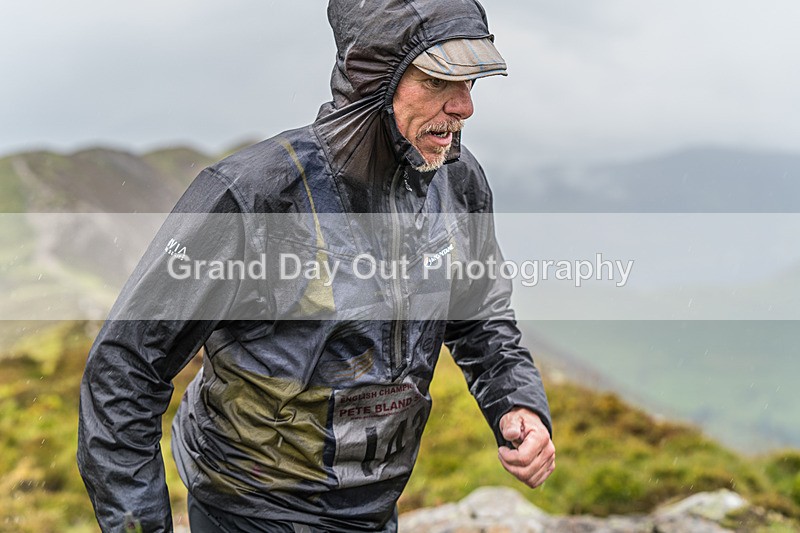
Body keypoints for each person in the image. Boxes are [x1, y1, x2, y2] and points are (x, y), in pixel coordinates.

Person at [77, 0, 555, 531]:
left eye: (470, 84)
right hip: (248, 511)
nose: (465, 106)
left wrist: (517, 403)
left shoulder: (455, 182)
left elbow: (480, 313)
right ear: (376, 79)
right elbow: (124, 369)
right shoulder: (252, 196)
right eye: (439, 81)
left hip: (371, 512)